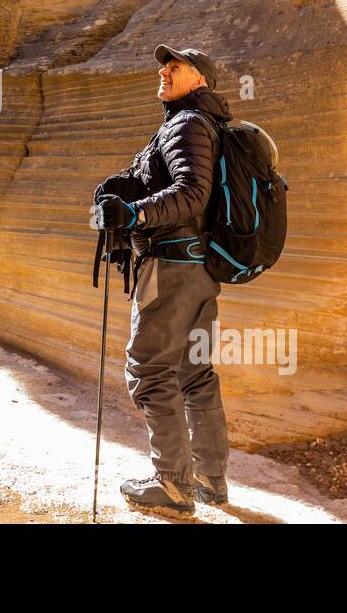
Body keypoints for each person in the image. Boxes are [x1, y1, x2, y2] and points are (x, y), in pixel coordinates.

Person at [91, 44, 232, 516]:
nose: (164, 72)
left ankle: (172, 485)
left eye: (175, 67)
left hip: (171, 269)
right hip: (200, 271)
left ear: (200, 80)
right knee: (193, 373)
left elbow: (192, 193)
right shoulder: (204, 124)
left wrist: (134, 212)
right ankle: (211, 481)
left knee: (150, 370)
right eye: (163, 66)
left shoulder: (187, 124)